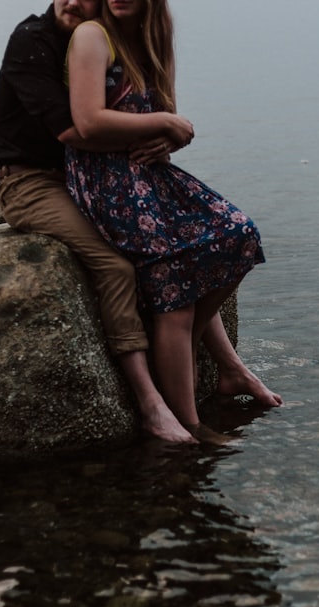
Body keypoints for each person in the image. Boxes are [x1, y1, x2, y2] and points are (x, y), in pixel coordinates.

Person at [0, 0, 280, 445]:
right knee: (131, 271)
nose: (73, 2)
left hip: (106, 170)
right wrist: (166, 125)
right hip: (36, 178)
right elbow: (77, 130)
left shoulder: (140, 38)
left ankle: (219, 364)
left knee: (231, 237)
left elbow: (155, 121)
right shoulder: (39, 39)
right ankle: (158, 405)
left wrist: (167, 138)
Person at [64, 0, 266, 443]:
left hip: (146, 171)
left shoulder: (154, 39)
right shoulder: (93, 36)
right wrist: (169, 123)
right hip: (101, 177)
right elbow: (87, 121)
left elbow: (168, 133)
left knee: (240, 233)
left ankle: (183, 350)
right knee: (174, 276)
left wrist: (168, 135)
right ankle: (190, 423)